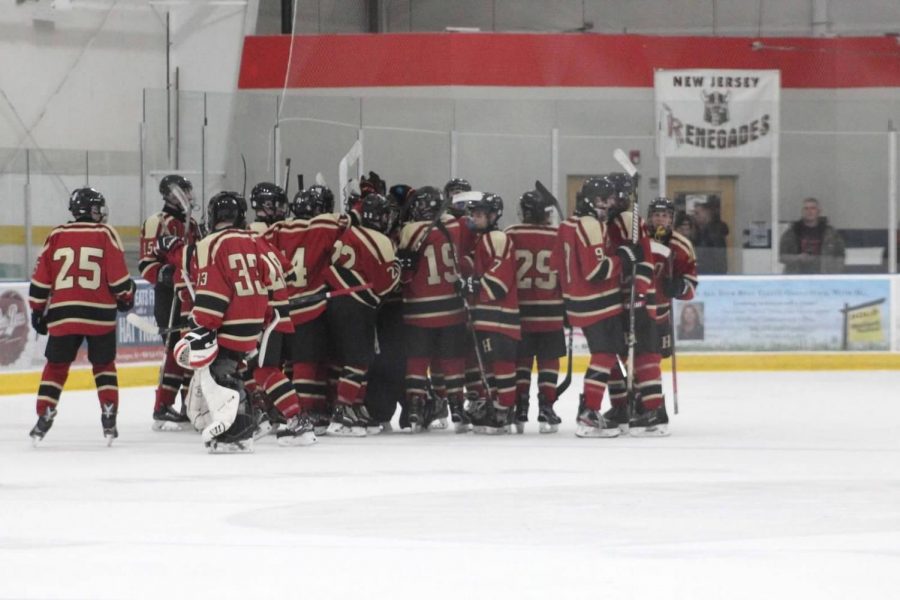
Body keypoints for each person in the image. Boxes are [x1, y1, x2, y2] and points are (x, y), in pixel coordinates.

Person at [28, 188, 136, 446]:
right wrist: (126, 297)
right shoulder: (105, 233)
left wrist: (37, 309)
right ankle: (109, 413)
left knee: (55, 366)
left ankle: (45, 412)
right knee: (103, 365)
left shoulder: (56, 235)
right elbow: (119, 279)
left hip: (63, 313)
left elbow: (41, 279)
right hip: (99, 313)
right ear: (94, 210)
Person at [174, 191, 273, 452]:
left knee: (221, 373)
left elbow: (213, 289)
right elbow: (274, 273)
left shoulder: (210, 243)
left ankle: (235, 433)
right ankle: (248, 421)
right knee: (233, 369)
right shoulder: (254, 239)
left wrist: (202, 322)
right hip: (254, 320)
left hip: (229, 319)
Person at [551, 177, 637, 438]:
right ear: (589, 200)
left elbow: (556, 267)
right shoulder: (590, 224)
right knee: (605, 356)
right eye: (603, 200)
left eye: (609, 199)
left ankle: (619, 408)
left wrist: (564, 303)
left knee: (607, 358)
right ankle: (589, 412)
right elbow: (596, 271)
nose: (608, 205)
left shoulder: (567, 225)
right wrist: (623, 258)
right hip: (598, 303)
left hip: (578, 304)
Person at [323, 192, 399, 436]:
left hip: (333, 304)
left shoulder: (347, 233)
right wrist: (398, 267)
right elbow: (384, 284)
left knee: (345, 359)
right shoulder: (380, 239)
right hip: (357, 306)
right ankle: (343, 411)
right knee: (359, 359)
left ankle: (354, 407)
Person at [395, 186, 467, 433]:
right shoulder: (457, 226)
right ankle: (457, 406)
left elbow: (404, 275)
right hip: (452, 308)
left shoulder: (410, 230)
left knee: (417, 361)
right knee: (452, 360)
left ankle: (415, 407)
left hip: (418, 309)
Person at [138, 174, 201, 430]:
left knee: (191, 349)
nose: (187, 193)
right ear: (170, 195)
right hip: (170, 296)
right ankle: (162, 404)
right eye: (182, 190)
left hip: (192, 295)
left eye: (187, 189)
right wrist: (170, 274)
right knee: (177, 350)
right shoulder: (158, 222)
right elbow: (146, 264)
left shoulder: (192, 223)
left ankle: (188, 404)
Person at [457, 192, 520, 435]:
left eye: (480, 214)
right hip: (487, 315)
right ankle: (496, 406)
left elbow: (500, 278)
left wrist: (474, 284)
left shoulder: (497, 238)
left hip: (501, 316)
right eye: (473, 213)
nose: (474, 218)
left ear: (494, 216)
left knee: (502, 365)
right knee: (491, 367)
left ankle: (504, 409)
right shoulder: (483, 239)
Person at [504, 190, 566, 434]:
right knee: (549, 361)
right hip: (551, 311)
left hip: (519, 312)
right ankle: (546, 407)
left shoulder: (510, 234)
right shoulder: (558, 235)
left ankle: (520, 407)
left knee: (522, 362)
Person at [779, 197, 845, 274]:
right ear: (802, 212)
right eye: (806, 208)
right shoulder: (792, 232)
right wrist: (798, 258)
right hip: (797, 278)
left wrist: (835, 274)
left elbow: (841, 257)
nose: (809, 211)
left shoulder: (831, 233)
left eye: (813, 208)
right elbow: (782, 257)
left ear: (819, 211)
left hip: (823, 278)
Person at [693, 201, 729, 274]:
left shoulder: (714, 232)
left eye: (697, 213)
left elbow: (718, 256)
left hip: (711, 272)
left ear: (706, 212)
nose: (695, 216)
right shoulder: (700, 231)